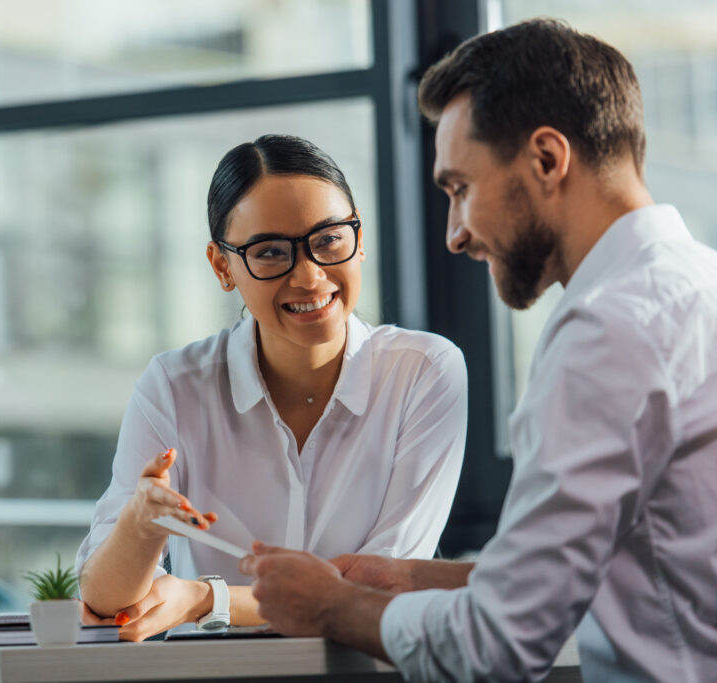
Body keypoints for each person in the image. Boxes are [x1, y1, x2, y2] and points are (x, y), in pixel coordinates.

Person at [239, 19, 717, 682]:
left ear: (548, 159)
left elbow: (496, 644)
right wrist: (412, 577)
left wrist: (332, 606)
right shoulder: (699, 287)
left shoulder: (607, 333)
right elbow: (643, 564)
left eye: (460, 188)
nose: (454, 236)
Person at [75, 134, 468, 641]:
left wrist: (206, 598)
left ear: (360, 237)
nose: (309, 276)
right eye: (270, 252)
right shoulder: (174, 386)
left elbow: (384, 584)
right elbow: (104, 601)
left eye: (329, 239)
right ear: (223, 266)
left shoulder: (425, 372)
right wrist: (140, 525)